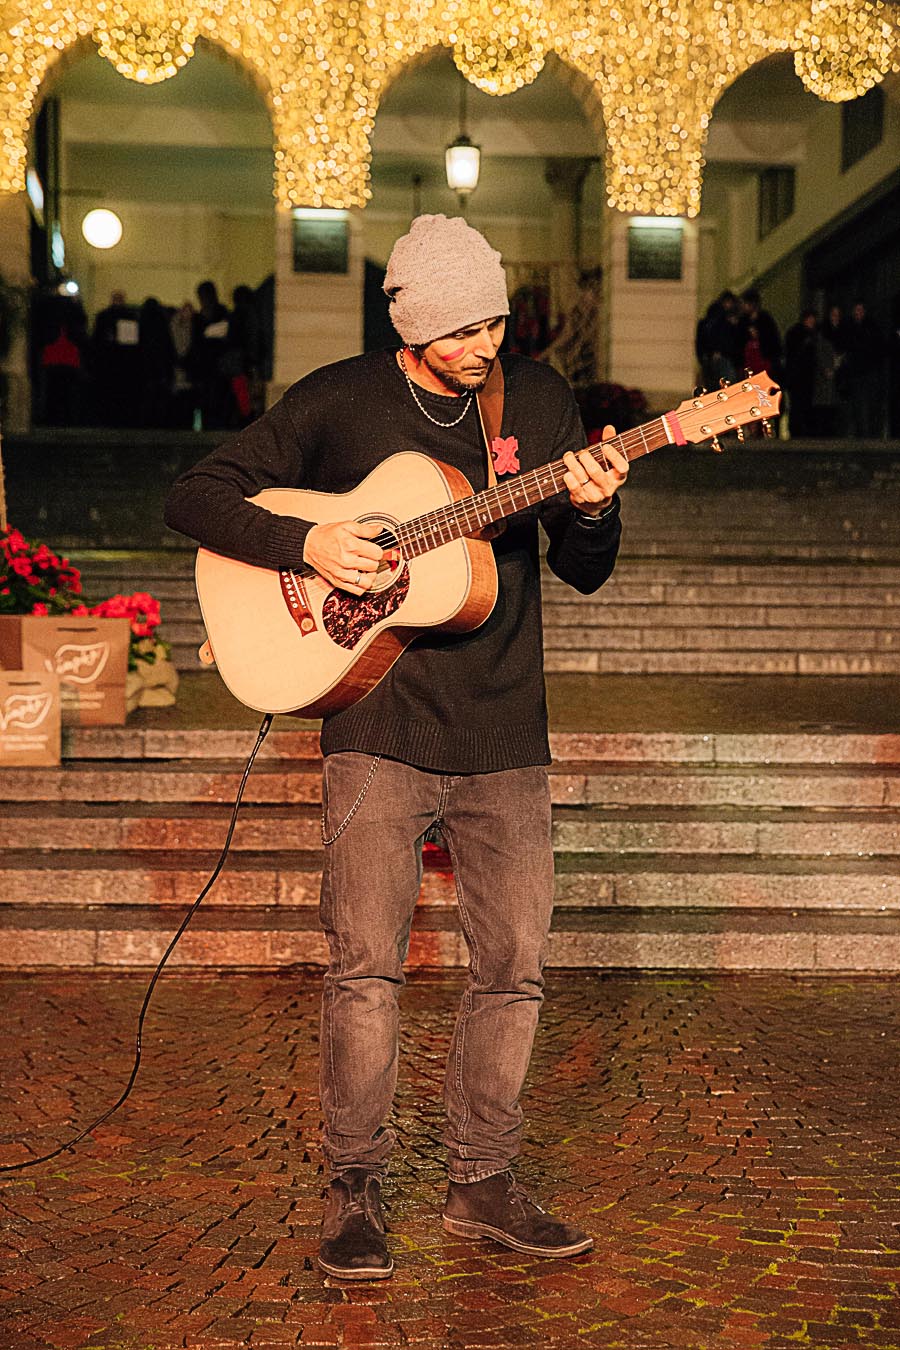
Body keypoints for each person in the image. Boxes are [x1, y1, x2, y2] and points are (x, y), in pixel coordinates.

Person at [164, 214, 627, 1281]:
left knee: (513, 969)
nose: (484, 345)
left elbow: (586, 568)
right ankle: (355, 1192)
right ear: (410, 325)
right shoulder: (341, 399)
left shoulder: (542, 402)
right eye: (461, 329)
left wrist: (595, 512)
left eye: (496, 320)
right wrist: (310, 542)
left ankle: (483, 1182)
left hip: (507, 723)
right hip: (375, 723)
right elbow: (194, 493)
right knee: (366, 969)